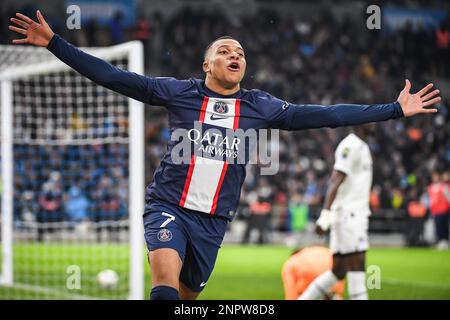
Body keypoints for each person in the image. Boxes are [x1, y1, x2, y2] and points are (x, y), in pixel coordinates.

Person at [9, 11, 441, 300]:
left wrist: (393, 109)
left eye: (240, 53)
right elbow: (113, 76)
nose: (235, 55)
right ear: (206, 65)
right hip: (169, 207)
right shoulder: (178, 92)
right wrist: (55, 43)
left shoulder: (261, 106)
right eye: (224, 50)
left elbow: (325, 114)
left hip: (214, 222)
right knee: (162, 281)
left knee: (187, 296)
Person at [298, 125, 375, 300]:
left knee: (338, 271)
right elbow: (335, 179)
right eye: (371, 120)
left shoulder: (361, 145)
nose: (375, 123)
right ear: (360, 123)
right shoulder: (351, 145)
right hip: (350, 215)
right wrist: (326, 214)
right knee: (358, 265)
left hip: (351, 214)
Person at [427, 172, 450, 250]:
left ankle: (445, 241)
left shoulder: (443, 186)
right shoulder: (430, 187)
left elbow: (448, 196)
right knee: (437, 227)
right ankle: (440, 241)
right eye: (433, 177)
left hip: (443, 209)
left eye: (436, 176)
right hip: (435, 210)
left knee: (444, 226)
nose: (434, 178)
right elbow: (431, 200)